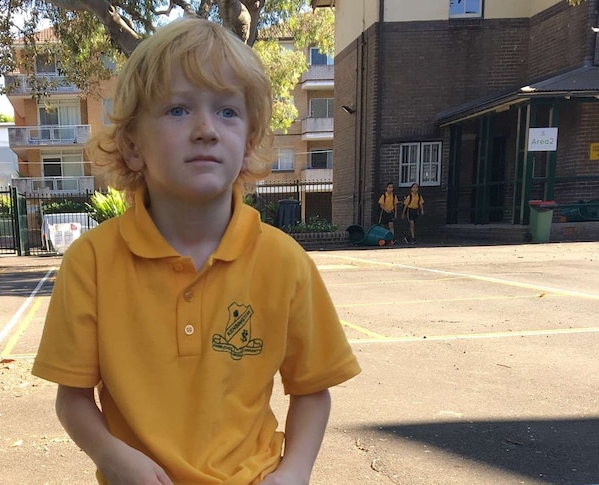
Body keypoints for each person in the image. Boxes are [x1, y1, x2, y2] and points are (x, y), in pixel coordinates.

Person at [31, 17, 361, 485]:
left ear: (248, 146)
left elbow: (312, 390)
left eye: (227, 111)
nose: (206, 129)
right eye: (178, 110)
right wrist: (112, 455)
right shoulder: (92, 262)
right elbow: (73, 397)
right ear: (131, 147)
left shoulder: (285, 262)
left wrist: (295, 472)